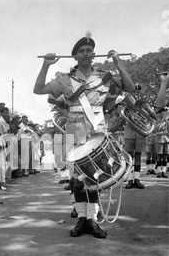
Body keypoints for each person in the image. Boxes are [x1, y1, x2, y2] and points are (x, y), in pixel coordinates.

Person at [33, 32, 135, 238]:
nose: (87, 54)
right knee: (79, 179)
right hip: (75, 130)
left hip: (98, 130)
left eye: (90, 51)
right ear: (75, 57)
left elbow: (130, 87)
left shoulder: (104, 77)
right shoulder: (64, 79)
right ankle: (82, 218)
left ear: (94, 55)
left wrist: (118, 63)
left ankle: (92, 220)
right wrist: (46, 65)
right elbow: (39, 89)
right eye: (82, 51)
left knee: (96, 177)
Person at [122, 90, 147, 189]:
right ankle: (129, 180)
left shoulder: (143, 109)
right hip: (129, 134)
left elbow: (148, 120)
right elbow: (122, 119)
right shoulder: (126, 108)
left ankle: (137, 179)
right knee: (128, 158)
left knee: (137, 157)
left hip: (140, 134)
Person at [155, 72, 169, 178]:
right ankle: (160, 171)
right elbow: (160, 103)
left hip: (166, 138)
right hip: (161, 137)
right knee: (160, 155)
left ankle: (163, 171)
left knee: (165, 155)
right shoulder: (159, 116)